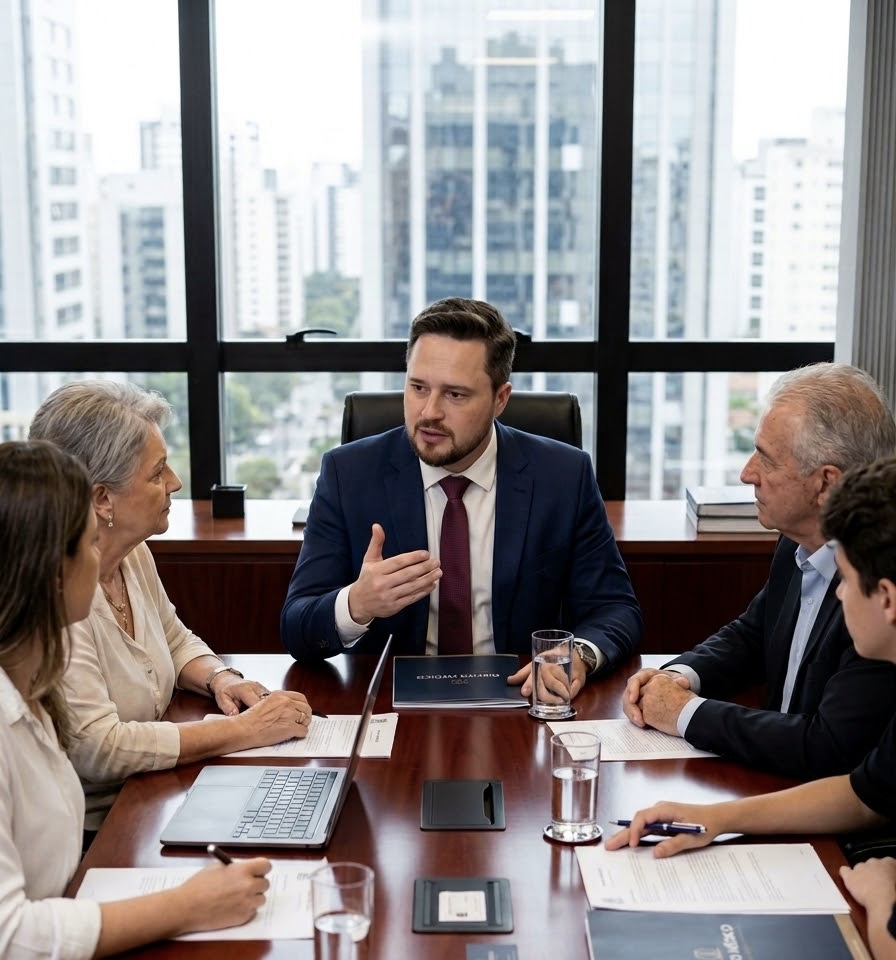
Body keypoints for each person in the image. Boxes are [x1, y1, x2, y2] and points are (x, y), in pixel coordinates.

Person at [607, 455, 896, 960]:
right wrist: (716, 818)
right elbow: (863, 793)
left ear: (888, 600)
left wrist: (881, 900)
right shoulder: (796, 551)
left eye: (848, 581)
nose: (837, 591)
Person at [0, 440, 271, 960]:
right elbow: (11, 941)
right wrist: (187, 906)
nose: (100, 555)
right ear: (52, 574)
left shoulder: (32, 683)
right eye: (88, 543)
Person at [280, 297, 642, 699]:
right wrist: (357, 604)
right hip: (389, 707)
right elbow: (296, 627)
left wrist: (579, 655)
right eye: (418, 387)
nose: (429, 412)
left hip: (523, 700)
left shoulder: (563, 476)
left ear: (500, 399)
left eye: (455, 395)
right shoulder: (348, 474)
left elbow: (615, 609)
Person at [29, 381, 311, 831]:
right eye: (158, 472)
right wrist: (245, 730)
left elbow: (174, 639)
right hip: (96, 830)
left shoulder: (132, 553)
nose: (175, 482)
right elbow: (100, 748)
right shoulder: (57, 597)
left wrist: (220, 678)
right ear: (102, 498)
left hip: (154, 796)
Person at [623, 361, 896, 779]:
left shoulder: (874, 587)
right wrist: (677, 677)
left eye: (766, 460)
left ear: (826, 484)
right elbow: (752, 635)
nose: (746, 473)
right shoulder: (797, 539)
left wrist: (684, 713)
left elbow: (826, 746)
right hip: (770, 779)